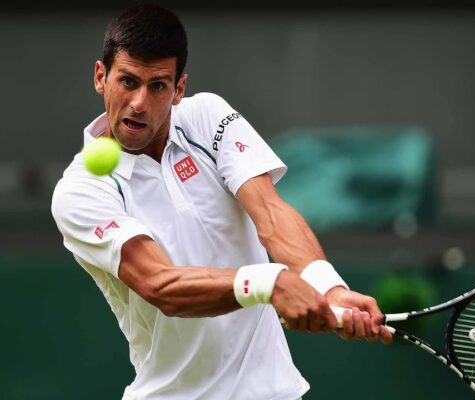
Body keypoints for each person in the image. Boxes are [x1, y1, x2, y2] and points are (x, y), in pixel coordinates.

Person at [51, 4, 392, 400]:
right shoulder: (81, 190)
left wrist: (328, 287)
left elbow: (269, 212)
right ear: (100, 77)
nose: (140, 102)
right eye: (128, 81)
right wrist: (268, 282)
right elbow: (160, 285)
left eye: (158, 85)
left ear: (179, 89)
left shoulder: (207, 117)